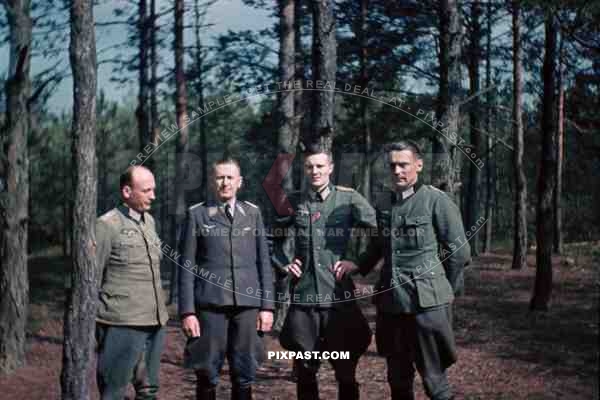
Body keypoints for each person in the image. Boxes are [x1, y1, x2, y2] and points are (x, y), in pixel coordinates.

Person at [337, 140, 471, 400]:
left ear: (419, 165)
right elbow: (379, 244)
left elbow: (460, 254)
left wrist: (443, 292)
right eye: (393, 166)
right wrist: (360, 264)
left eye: (404, 165)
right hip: (391, 305)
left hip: (426, 307)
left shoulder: (435, 200)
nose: (397, 171)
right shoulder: (385, 203)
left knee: (435, 382)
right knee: (397, 379)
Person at [272, 145, 377, 400]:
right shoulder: (293, 201)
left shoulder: (348, 198)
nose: (315, 171)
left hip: (338, 298)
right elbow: (272, 236)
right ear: (304, 170)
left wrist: (359, 264)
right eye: (309, 167)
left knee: (345, 372)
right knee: (306, 371)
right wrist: (284, 263)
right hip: (305, 298)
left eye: (320, 166)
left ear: (330, 168)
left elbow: (379, 232)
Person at [178, 158, 274, 400]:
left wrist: (267, 307)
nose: (225, 182)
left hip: (247, 307)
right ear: (212, 181)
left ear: (239, 182)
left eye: (230, 177)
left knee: (245, 372)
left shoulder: (252, 213)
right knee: (207, 372)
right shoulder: (197, 214)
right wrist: (187, 312)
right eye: (220, 177)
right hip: (210, 306)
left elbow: (264, 262)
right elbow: (186, 267)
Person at [95, 165, 169, 400]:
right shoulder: (107, 225)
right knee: (114, 390)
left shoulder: (150, 222)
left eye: (153, 190)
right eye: (146, 190)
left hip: (155, 320)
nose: (153, 196)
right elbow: (91, 277)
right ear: (127, 192)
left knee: (149, 391)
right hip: (122, 322)